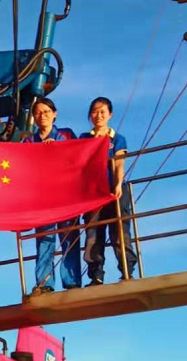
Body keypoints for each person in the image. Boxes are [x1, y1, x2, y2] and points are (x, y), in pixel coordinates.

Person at [22, 98, 81, 294]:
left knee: (69, 238)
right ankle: (44, 283)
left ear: (54, 113)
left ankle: (71, 281)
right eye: (38, 112)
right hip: (43, 198)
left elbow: (78, 155)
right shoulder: (28, 142)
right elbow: (18, 161)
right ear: (33, 116)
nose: (43, 116)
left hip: (66, 195)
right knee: (45, 240)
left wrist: (58, 149)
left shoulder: (66, 134)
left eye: (46, 111)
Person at [80, 97, 137, 286]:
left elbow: (119, 163)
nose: (99, 115)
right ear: (90, 115)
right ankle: (96, 275)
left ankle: (127, 270)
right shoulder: (84, 139)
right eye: (95, 111)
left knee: (119, 231)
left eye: (102, 111)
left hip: (114, 189)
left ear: (110, 115)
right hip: (92, 192)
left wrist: (118, 184)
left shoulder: (117, 138)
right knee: (93, 233)